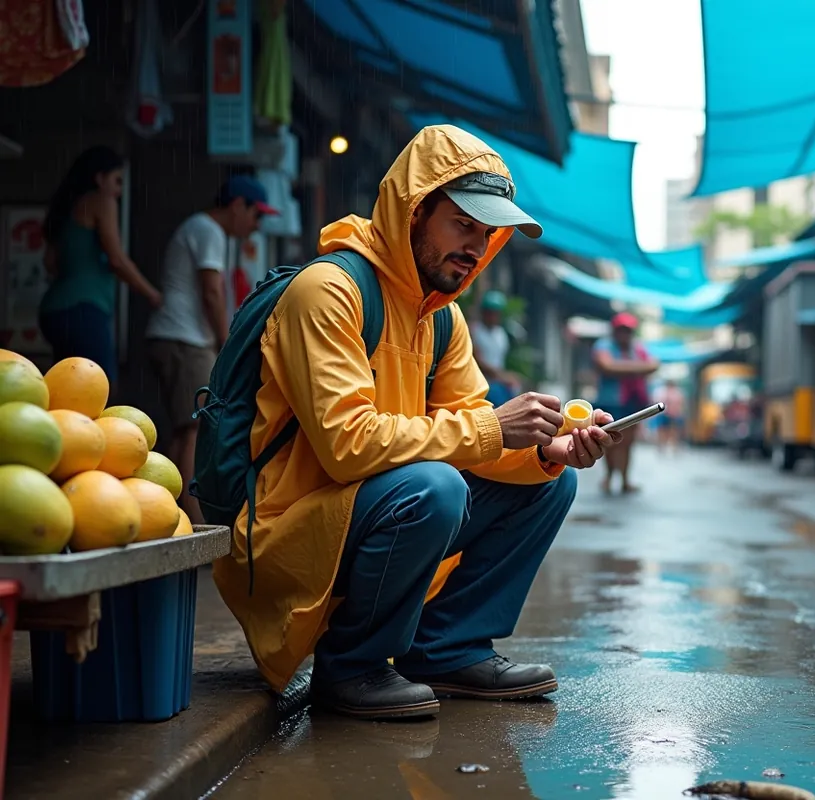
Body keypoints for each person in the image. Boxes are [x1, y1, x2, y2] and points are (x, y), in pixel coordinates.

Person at [211, 125, 621, 721]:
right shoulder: (327, 293)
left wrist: (545, 451)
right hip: (289, 531)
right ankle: (352, 666)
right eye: (462, 225)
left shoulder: (443, 320)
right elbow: (348, 448)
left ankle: (444, 648)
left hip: (374, 513)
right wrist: (491, 429)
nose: (475, 248)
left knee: (548, 480)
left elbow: (475, 436)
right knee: (436, 486)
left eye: (487, 234)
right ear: (415, 209)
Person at [146, 175, 276, 523]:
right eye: (256, 215)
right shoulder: (209, 231)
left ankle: (174, 514)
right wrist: (228, 342)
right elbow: (212, 291)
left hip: (179, 337)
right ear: (237, 205)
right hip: (185, 339)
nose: (256, 225)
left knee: (184, 431)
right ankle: (195, 520)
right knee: (197, 428)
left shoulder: (204, 229)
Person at [39, 146, 163, 384]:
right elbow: (117, 259)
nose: (119, 190)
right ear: (99, 178)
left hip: (54, 311)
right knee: (100, 386)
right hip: (84, 311)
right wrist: (153, 295)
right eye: (117, 181)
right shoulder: (101, 200)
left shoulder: (65, 209)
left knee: (67, 387)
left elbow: (50, 263)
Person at [592, 312, 658, 494]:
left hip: (631, 402)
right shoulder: (604, 345)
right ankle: (609, 476)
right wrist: (637, 368)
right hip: (610, 401)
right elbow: (606, 366)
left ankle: (624, 479)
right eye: (621, 330)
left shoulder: (637, 348)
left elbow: (654, 365)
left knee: (627, 443)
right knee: (608, 441)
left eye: (627, 331)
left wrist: (619, 367)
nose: (624, 334)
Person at [470, 289, 522, 405]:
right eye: (490, 313)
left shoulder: (501, 334)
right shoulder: (475, 331)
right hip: (481, 381)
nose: (493, 316)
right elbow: (478, 361)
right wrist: (502, 376)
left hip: (497, 380)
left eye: (496, 313)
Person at [654, 379, 686, 453]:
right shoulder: (663, 392)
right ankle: (664, 446)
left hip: (673, 414)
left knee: (672, 431)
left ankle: (670, 447)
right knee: (665, 431)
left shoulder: (676, 393)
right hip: (667, 414)